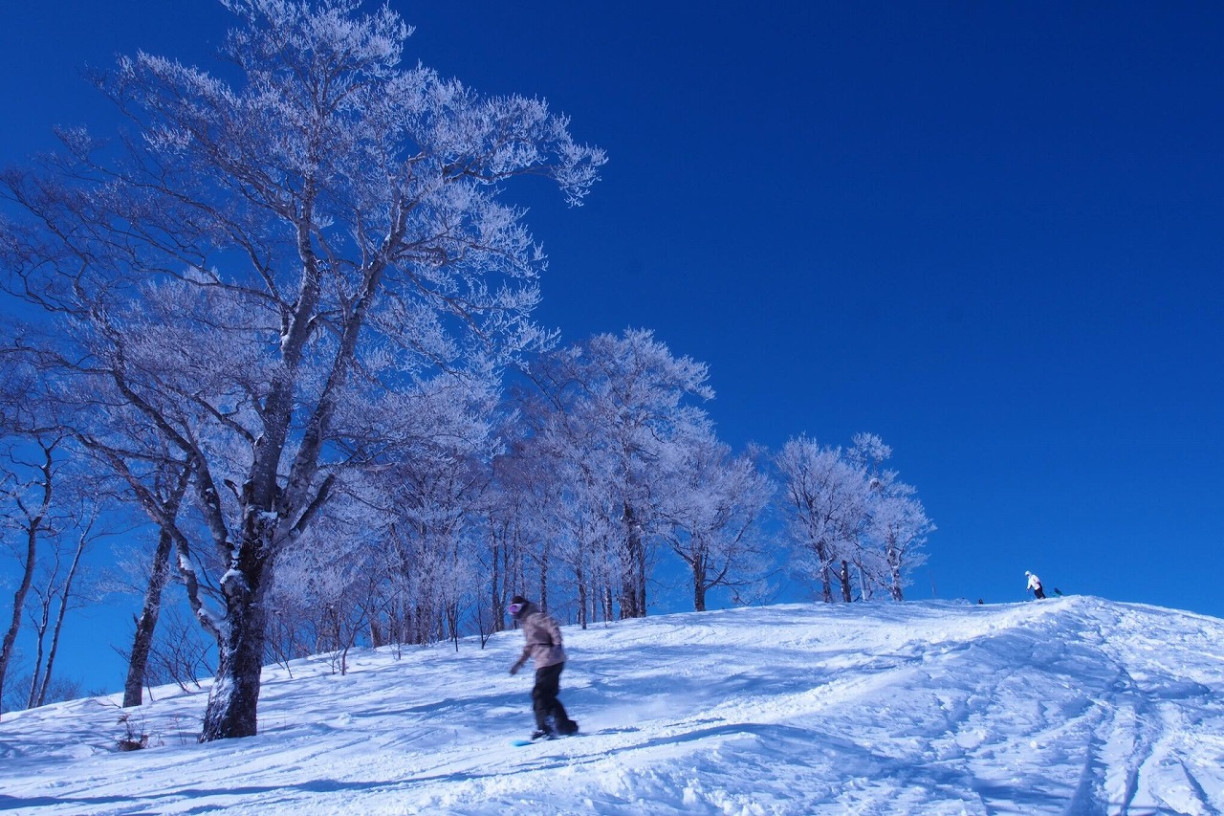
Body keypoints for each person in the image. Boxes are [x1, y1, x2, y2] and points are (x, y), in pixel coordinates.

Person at [508, 595, 579, 740]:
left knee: (539, 694)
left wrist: (557, 643)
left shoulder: (534, 617)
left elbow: (551, 624)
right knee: (547, 696)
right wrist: (519, 663)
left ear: (522, 607)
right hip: (549, 660)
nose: (513, 612)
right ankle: (564, 726)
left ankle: (544, 729)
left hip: (548, 659)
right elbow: (529, 647)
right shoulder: (527, 623)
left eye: (515, 608)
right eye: (510, 609)